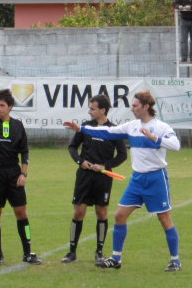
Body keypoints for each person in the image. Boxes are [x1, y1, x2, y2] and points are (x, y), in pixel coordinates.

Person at [64, 91, 182, 272]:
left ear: (145, 107)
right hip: (137, 179)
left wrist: (153, 138)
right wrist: (81, 129)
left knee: (164, 218)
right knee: (119, 215)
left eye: (135, 105)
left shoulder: (161, 127)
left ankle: (175, 261)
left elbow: (176, 145)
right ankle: (116, 258)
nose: (132, 108)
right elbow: (107, 131)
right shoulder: (131, 126)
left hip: (156, 178)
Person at [0, 88, 42, 266]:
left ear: (10, 106)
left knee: (21, 212)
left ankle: (28, 253)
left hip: (14, 174)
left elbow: (24, 151)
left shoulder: (18, 125)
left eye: (2, 105)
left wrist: (23, 173)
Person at [62, 94, 128, 264]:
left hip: (103, 178)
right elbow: (72, 147)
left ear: (102, 110)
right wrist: (80, 161)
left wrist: (105, 166)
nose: (89, 111)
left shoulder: (114, 130)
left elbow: (122, 155)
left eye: (92, 108)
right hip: (84, 176)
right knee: (79, 212)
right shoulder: (85, 127)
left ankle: (99, 252)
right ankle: (72, 252)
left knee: (102, 213)